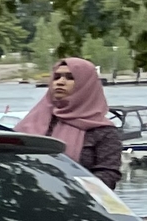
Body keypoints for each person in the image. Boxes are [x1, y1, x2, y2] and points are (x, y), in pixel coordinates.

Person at [16, 56, 123, 185]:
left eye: (70, 77)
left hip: (75, 200)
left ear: (86, 85)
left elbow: (108, 175)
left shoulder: (103, 131)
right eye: (56, 77)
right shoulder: (33, 121)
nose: (60, 82)